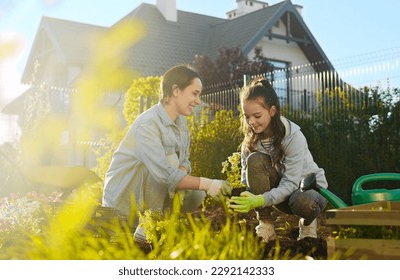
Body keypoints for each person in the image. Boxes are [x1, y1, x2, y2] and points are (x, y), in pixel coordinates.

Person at [102, 64, 231, 242]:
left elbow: (185, 160)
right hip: (124, 200)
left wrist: (179, 176)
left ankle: (161, 221)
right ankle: (148, 225)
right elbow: (163, 173)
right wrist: (208, 183)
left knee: (195, 193)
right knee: (172, 165)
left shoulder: (181, 122)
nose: (198, 101)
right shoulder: (148, 124)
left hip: (152, 188)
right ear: (176, 91)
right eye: (194, 93)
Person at [229, 77, 328, 243]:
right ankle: (266, 226)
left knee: (302, 201)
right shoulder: (250, 141)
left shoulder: (293, 136)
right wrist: (244, 193)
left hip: (310, 193)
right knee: (255, 159)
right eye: (247, 117)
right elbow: (246, 178)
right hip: (281, 196)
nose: (251, 122)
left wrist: (261, 199)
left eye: (257, 115)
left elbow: (291, 183)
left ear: (272, 111)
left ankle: (308, 227)